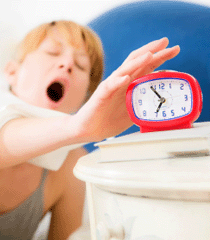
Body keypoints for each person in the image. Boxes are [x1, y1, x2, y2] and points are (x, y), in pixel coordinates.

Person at [0, 20, 180, 240]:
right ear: (11, 72)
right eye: (52, 52)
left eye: (81, 66)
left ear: (85, 99)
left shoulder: (72, 167)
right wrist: (76, 126)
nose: (67, 64)